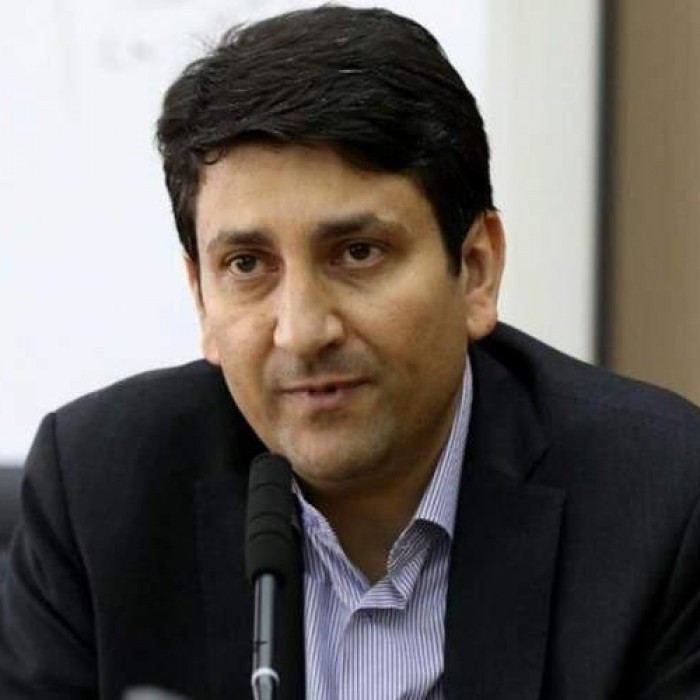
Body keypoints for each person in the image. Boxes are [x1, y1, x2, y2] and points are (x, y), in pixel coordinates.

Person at [2, 5, 700, 700]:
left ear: (477, 271)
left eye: (358, 253)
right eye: (247, 265)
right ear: (202, 299)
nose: (302, 332)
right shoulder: (96, 494)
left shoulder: (663, 501)